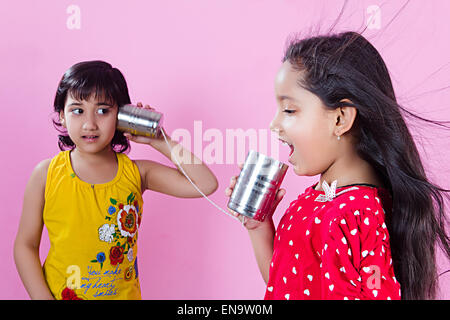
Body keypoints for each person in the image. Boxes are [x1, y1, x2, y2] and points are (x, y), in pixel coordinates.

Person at [226, 31, 450, 300]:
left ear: (340, 119)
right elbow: (286, 285)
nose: (274, 125)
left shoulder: (359, 213)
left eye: (289, 110)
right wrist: (259, 226)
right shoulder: (315, 201)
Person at [14, 60, 218, 300]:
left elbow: (205, 183)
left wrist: (160, 140)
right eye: (77, 110)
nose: (90, 124)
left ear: (121, 115)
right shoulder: (46, 174)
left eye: (103, 110)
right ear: (62, 115)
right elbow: (24, 246)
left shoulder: (137, 173)